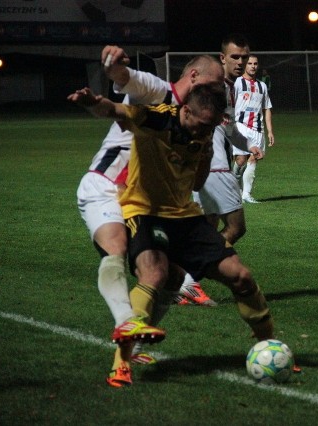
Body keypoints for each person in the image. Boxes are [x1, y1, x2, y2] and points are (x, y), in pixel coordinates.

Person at [68, 84, 275, 388]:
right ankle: (121, 364)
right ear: (186, 110)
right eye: (202, 124)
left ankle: (270, 346)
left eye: (212, 125)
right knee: (154, 273)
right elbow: (115, 110)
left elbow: (198, 180)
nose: (204, 130)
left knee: (240, 276)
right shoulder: (156, 118)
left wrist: (203, 151)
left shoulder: (203, 131)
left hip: (185, 215)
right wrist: (91, 102)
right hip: (145, 211)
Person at [76, 48, 224, 369]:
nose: (218, 90)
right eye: (215, 82)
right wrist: (114, 65)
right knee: (116, 247)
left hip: (146, 201)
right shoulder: (157, 91)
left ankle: (133, 346)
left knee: (169, 274)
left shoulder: (195, 118)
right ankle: (128, 322)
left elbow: (193, 181)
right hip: (107, 184)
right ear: (194, 76)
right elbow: (125, 79)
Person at [194, 34, 253, 243]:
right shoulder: (214, 85)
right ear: (222, 57)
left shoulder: (229, 86)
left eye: (244, 57)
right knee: (236, 227)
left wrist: (248, 146)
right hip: (213, 166)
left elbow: (227, 126)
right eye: (235, 57)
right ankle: (197, 265)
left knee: (208, 228)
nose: (240, 62)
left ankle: (188, 271)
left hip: (201, 167)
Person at [232, 54, 275, 204]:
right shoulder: (237, 83)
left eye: (255, 64)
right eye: (250, 63)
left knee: (253, 159)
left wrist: (270, 131)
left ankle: (246, 195)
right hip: (241, 127)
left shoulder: (262, 86)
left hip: (257, 129)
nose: (253, 66)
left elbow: (267, 108)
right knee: (241, 160)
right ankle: (235, 187)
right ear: (245, 65)